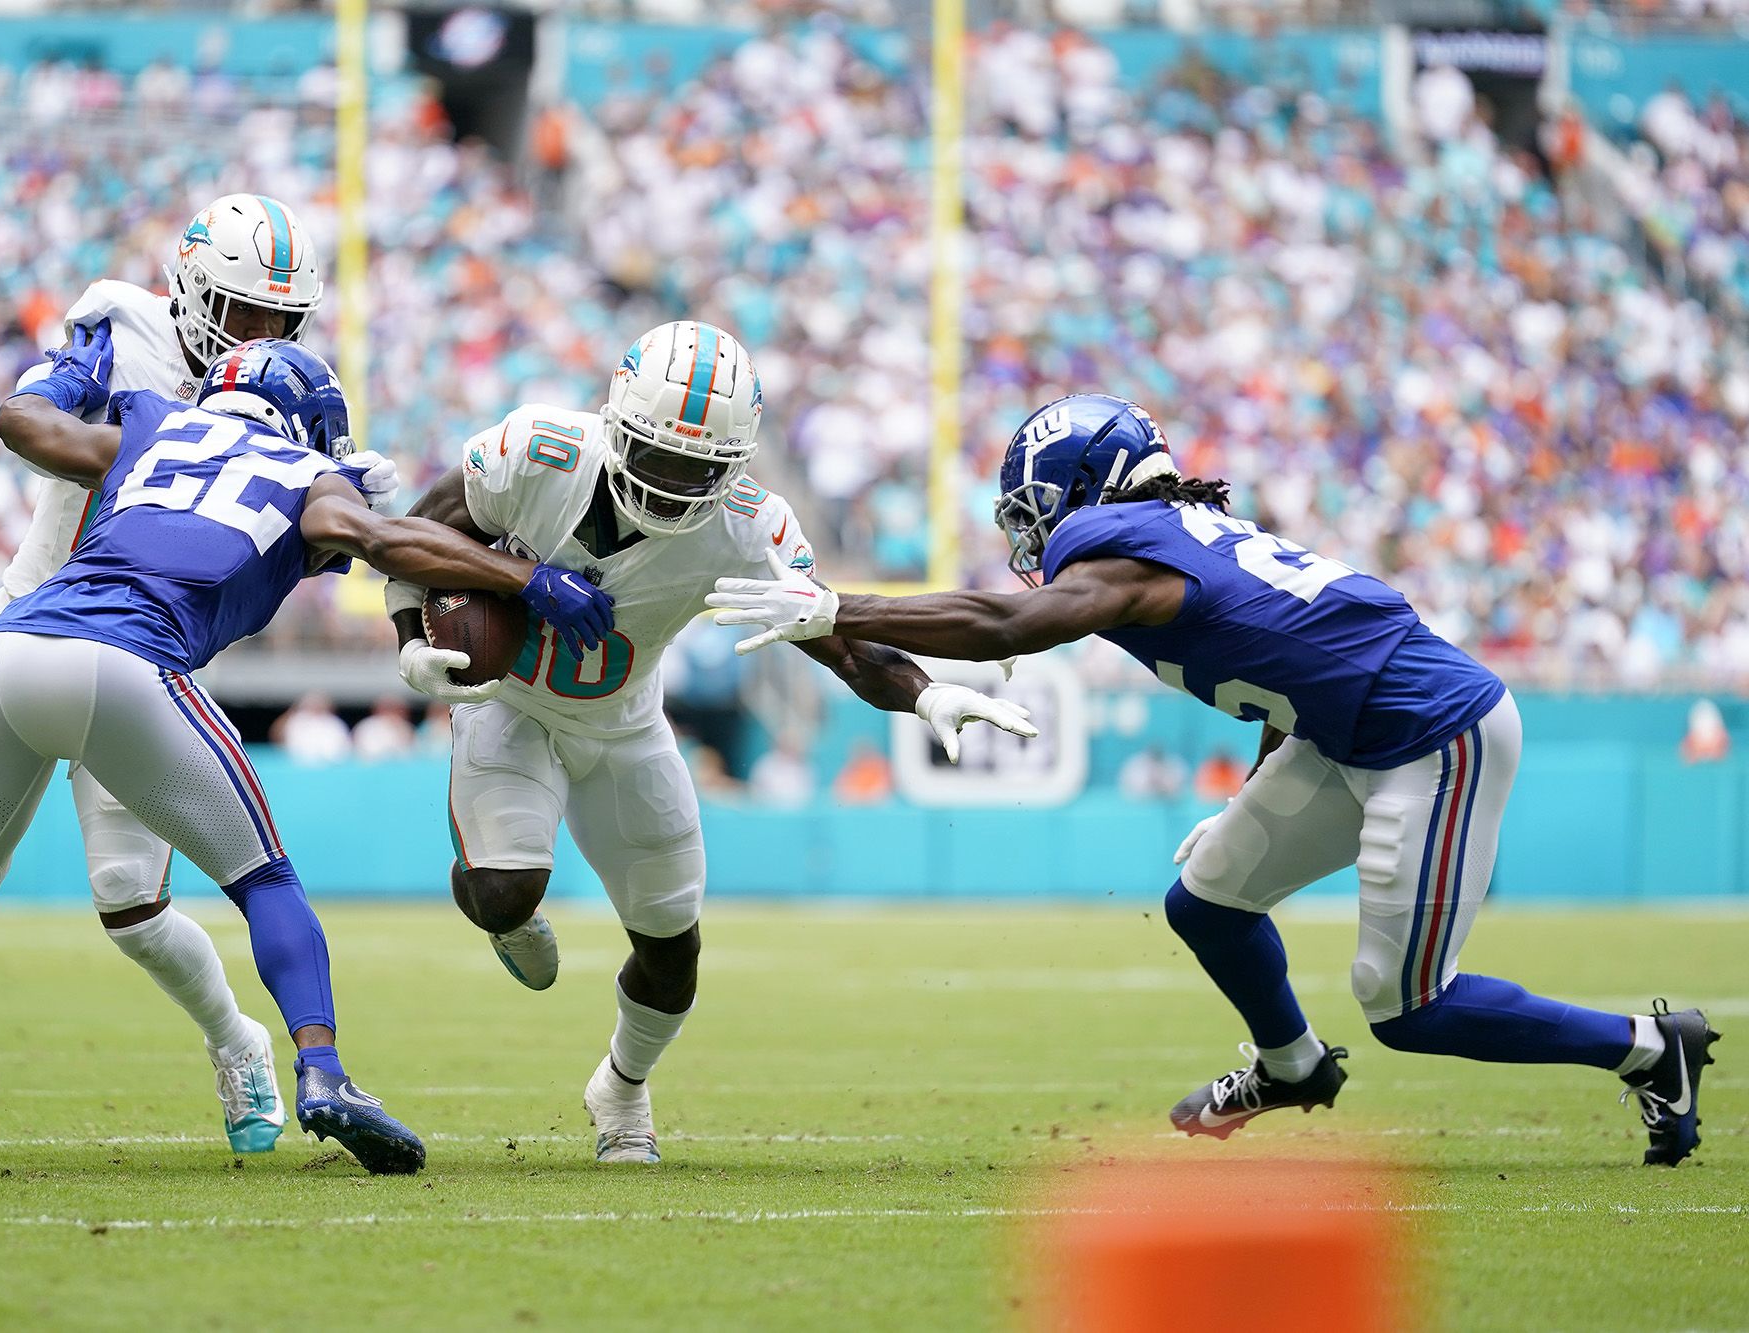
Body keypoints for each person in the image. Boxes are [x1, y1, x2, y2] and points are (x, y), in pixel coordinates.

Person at [709, 392, 1720, 1167]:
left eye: (1035, 507)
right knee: (1207, 901)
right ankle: (1290, 1067)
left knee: (1404, 1003)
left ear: (1086, 486)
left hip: (1430, 734)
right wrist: (1251, 794)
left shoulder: (1116, 548)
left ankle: (1642, 1044)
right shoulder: (1182, 536)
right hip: (1344, 729)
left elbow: (1008, 626)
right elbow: (1298, 668)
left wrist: (840, 607)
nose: (1031, 532)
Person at [0, 333, 613, 1177]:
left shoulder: (151, 428)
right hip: (127, 661)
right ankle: (324, 1073)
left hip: (7, 651)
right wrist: (528, 581)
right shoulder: (308, 474)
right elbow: (379, 546)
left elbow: (25, 424)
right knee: (264, 881)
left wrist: (68, 369)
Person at [384, 320, 1033, 1164]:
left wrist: (924, 690)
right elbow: (412, 536)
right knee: (504, 893)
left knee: (672, 950)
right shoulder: (538, 452)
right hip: (510, 705)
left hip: (626, 725)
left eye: (699, 468)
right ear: (616, 424)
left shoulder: (745, 527)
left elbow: (836, 637)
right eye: (657, 456)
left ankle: (621, 1089)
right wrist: (410, 632)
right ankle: (505, 915)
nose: (673, 482)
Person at [0, 195, 341, 1163]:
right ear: (186, 290)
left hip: (142, 649)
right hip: (33, 610)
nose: (255, 337)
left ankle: (237, 1039)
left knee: (130, 902)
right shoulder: (121, 327)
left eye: (275, 322)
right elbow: (35, 412)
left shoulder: (284, 392)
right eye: (240, 311)